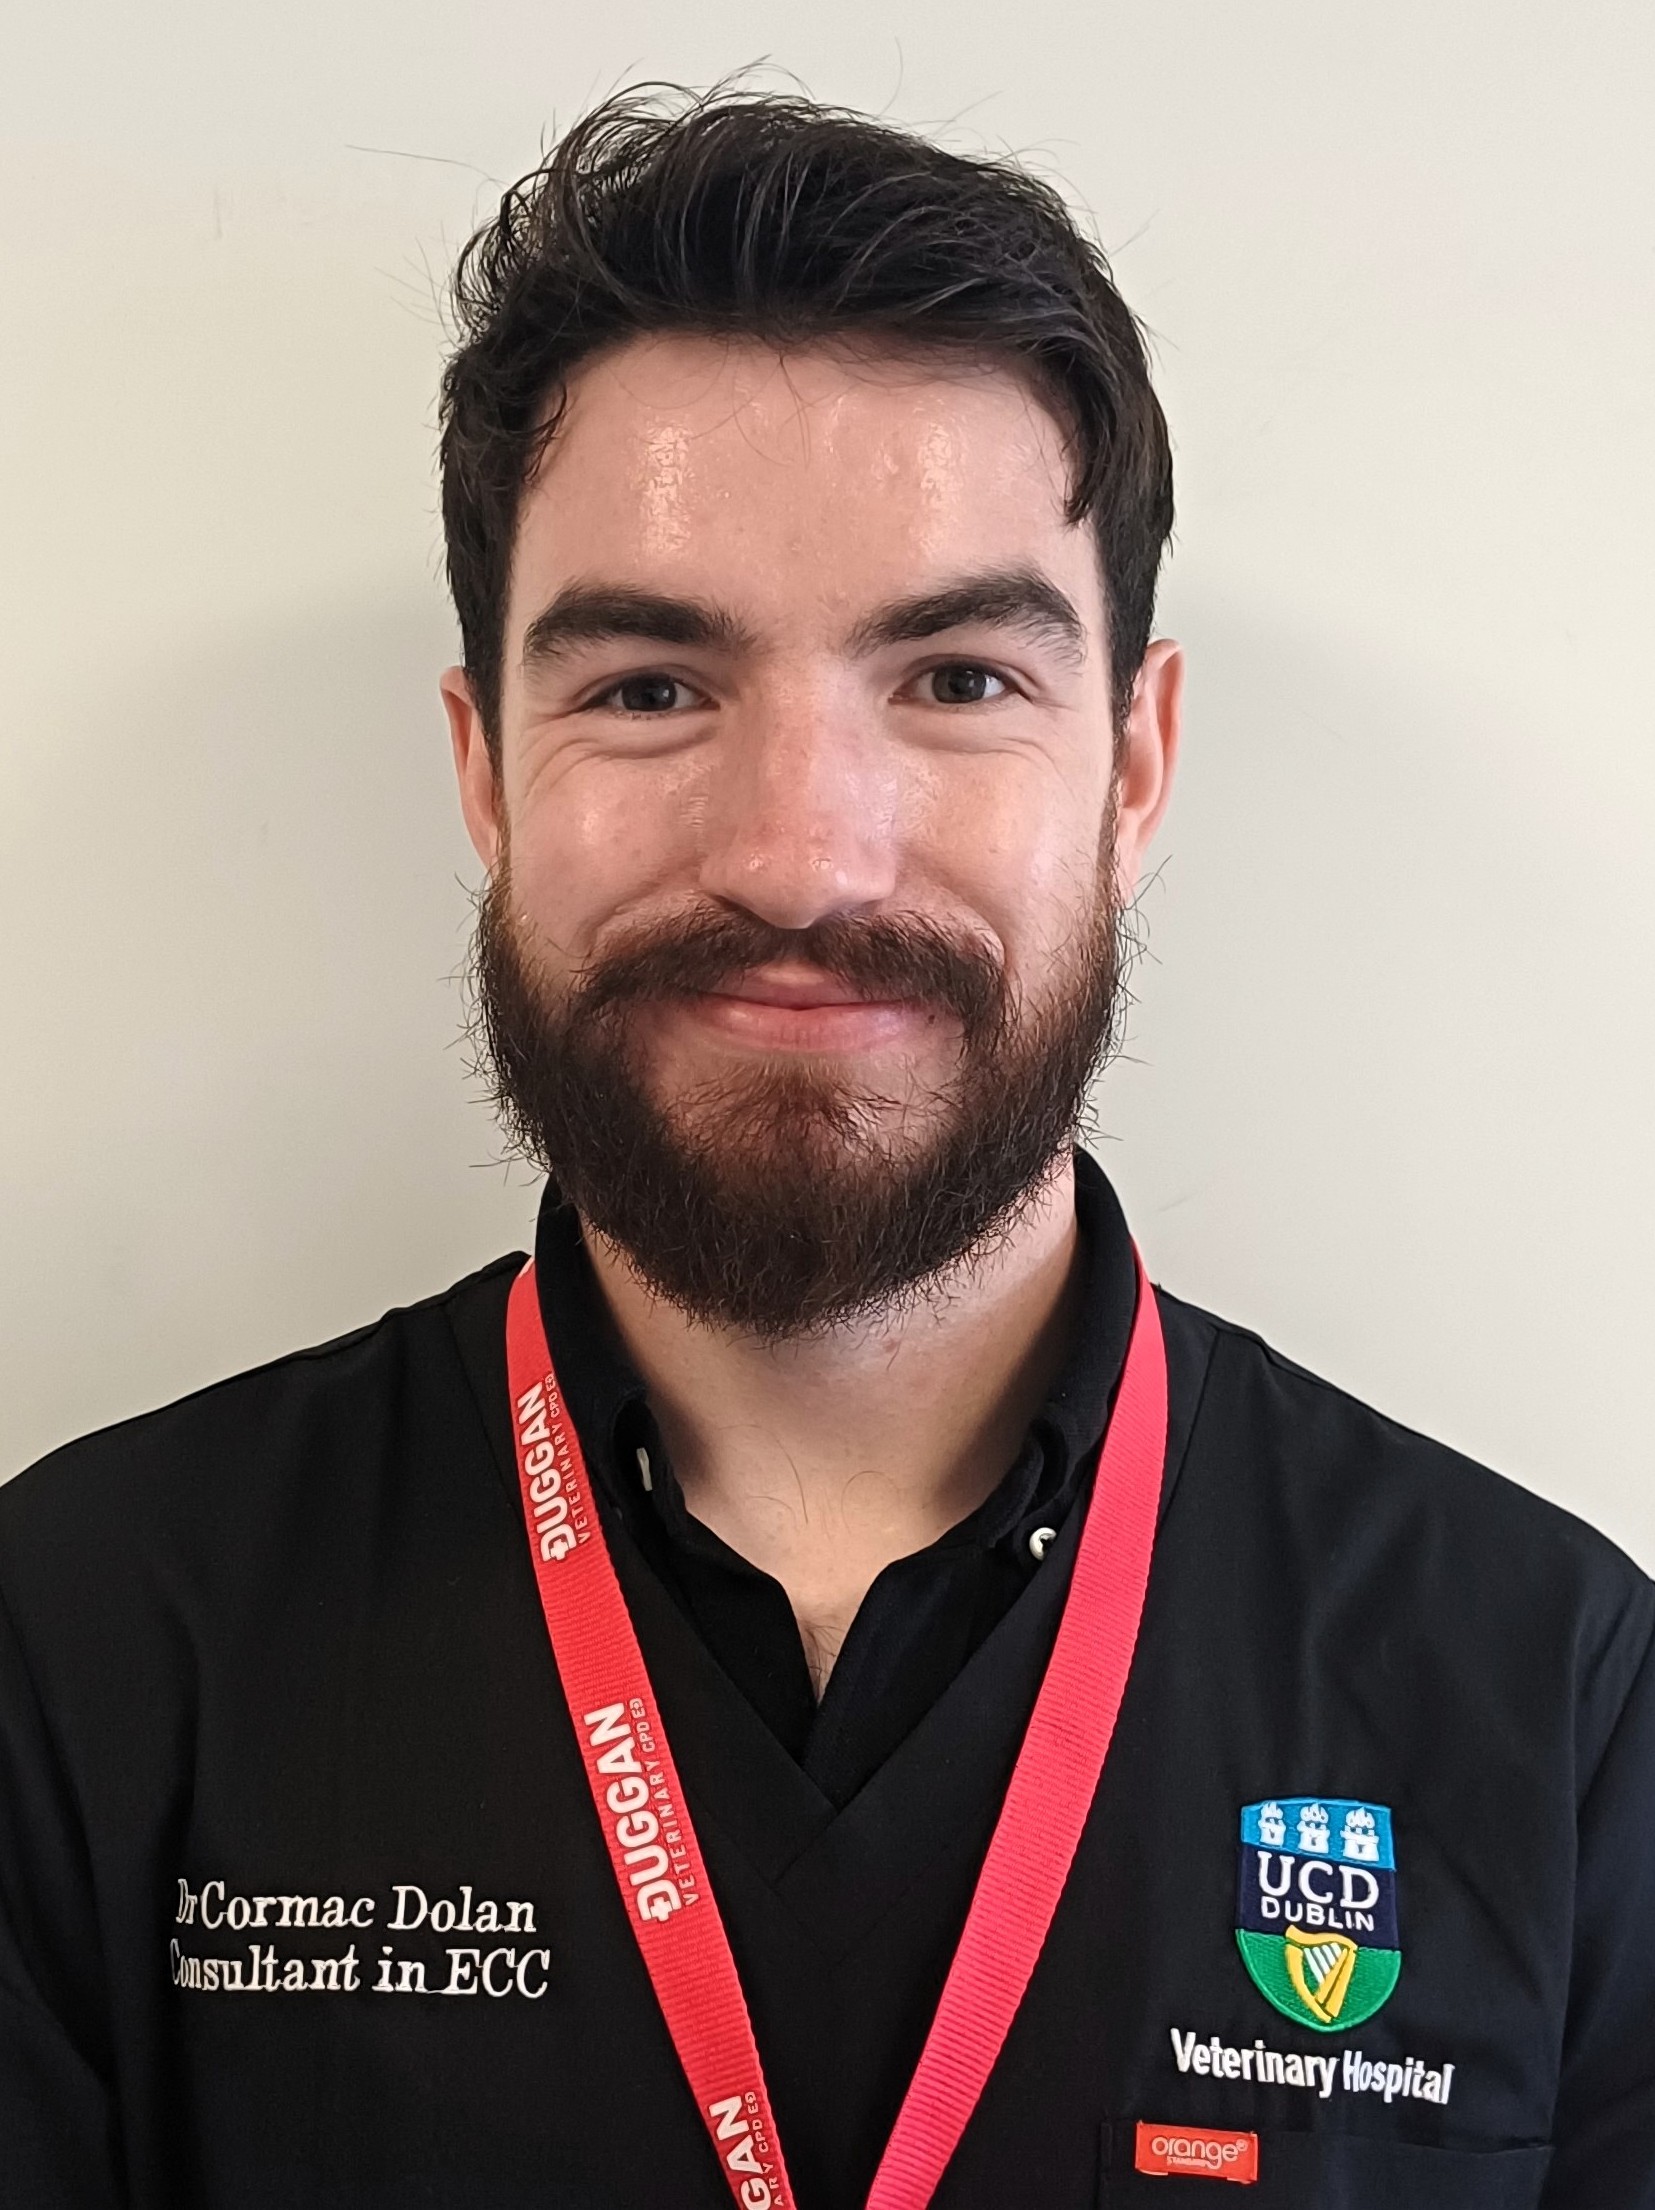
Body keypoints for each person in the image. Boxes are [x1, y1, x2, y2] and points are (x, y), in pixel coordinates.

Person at [1, 85, 1651, 2210]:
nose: (799, 854)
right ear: (486, 769)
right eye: (652, 688)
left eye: (957, 677)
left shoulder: (1555, 1701)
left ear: (1133, 769)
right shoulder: (91, 1643)